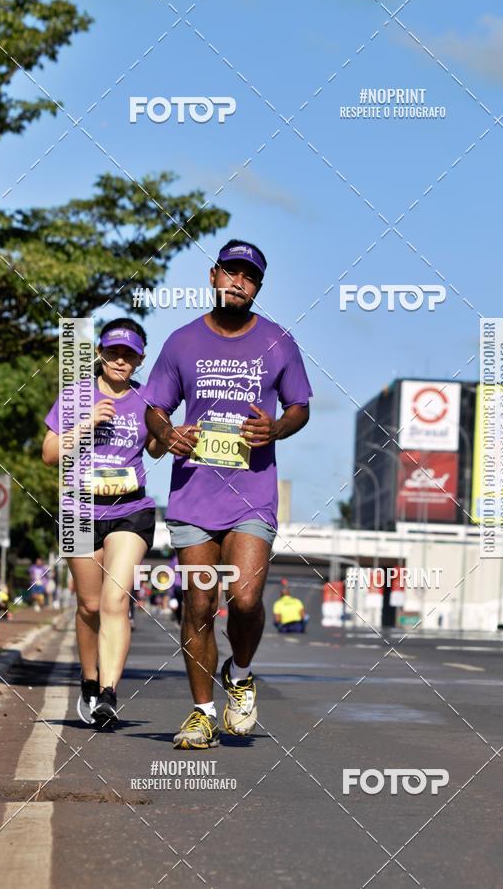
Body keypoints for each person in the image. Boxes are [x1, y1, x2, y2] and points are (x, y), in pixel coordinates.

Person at [145, 239, 312, 749]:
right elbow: (154, 406)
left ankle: (239, 673)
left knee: (244, 598)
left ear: (258, 286)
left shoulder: (278, 342)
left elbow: (300, 406)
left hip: (251, 493)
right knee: (198, 603)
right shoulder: (180, 342)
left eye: (250, 276)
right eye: (232, 272)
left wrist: (276, 429)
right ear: (213, 276)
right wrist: (168, 431)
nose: (239, 282)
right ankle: (200, 713)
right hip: (193, 494)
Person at [42, 318, 165, 727]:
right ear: (99, 353)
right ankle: (89, 681)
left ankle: (109, 693)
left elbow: (155, 449)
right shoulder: (76, 396)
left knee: (115, 601)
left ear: (139, 360)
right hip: (79, 509)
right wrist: (88, 422)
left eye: (128, 354)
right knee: (89, 605)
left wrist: (167, 435)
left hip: (131, 508)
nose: (119, 360)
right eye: (113, 352)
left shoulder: (147, 400)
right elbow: (49, 453)